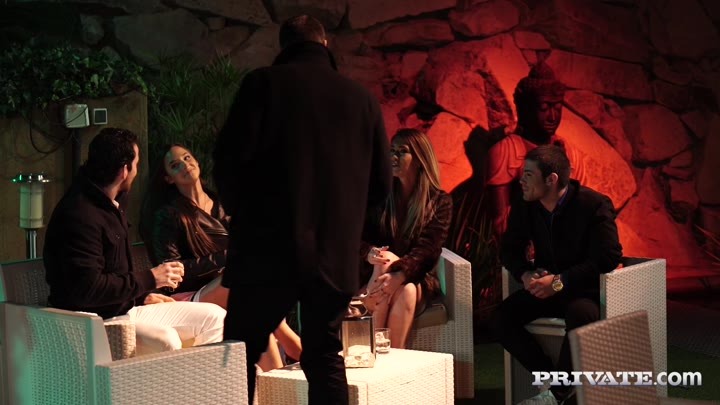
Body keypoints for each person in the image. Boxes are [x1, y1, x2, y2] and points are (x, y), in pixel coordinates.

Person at [213, 14, 392, 404]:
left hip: (265, 250)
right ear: (324, 44)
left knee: (239, 353)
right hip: (333, 256)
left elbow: (228, 162)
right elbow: (381, 184)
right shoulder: (361, 99)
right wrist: (351, 235)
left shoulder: (262, 85)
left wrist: (241, 214)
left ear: (284, 46)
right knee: (325, 355)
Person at [44, 128, 227, 355]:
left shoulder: (112, 202)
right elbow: (88, 288)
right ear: (124, 171)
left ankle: (207, 377)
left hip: (124, 308)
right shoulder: (81, 215)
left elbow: (114, 272)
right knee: (166, 339)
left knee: (215, 318)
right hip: (92, 321)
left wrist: (142, 295)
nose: (137, 171)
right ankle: (174, 379)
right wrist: (151, 278)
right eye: (137, 164)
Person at [139, 144, 302, 370]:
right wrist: (225, 258)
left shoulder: (223, 204)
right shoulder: (168, 216)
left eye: (187, 158)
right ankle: (291, 345)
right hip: (191, 295)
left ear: (196, 161)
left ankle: (276, 370)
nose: (185, 165)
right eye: (175, 165)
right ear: (168, 178)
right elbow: (171, 271)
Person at [489, 145, 622, 405]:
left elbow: (608, 257)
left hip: (584, 291)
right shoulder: (526, 205)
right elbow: (509, 250)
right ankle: (556, 384)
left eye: (529, 175)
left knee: (580, 314)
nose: (521, 180)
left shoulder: (593, 205)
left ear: (551, 179)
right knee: (501, 319)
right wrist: (525, 274)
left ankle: (557, 394)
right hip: (547, 289)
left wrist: (560, 282)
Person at [360, 128, 452, 349]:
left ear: (419, 159)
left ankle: (370, 348)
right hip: (375, 273)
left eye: (402, 152)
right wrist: (368, 252)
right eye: (391, 150)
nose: (393, 157)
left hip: (417, 276)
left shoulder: (439, 201)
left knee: (397, 272)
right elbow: (356, 236)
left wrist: (400, 274)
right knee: (399, 281)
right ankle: (395, 357)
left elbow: (429, 249)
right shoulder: (379, 195)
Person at [485, 61, 586, 243]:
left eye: (558, 108)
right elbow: (500, 221)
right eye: (544, 108)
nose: (552, 117)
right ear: (526, 109)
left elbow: (580, 212)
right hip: (521, 244)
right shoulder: (506, 152)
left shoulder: (572, 155)